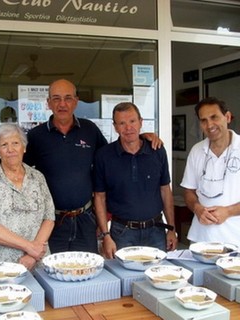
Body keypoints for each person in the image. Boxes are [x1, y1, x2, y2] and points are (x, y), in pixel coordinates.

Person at [0, 79, 162, 254]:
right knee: (54, 273)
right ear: (48, 103)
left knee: (87, 272)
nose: (62, 104)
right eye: (56, 98)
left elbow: (113, 154)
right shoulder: (37, 136)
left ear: (76, 102)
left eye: (68, 98)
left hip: (85, 219)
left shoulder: (89, 130)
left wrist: (140, 136)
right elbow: (15, 164)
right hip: (51, 222)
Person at [93, 102, 177, 258]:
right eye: (122, 123)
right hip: (122, 232)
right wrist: (106, 235)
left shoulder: (157, 151)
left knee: (157, 275)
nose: (128, 128)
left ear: (141, 122)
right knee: (124, 279)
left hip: (156, 231)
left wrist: (171, 229)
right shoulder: (103, 156)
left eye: (132, 121)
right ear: (115, 127)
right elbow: (100, 197)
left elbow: (165, 190)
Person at [0, 123, 55, 270]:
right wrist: (30, 247)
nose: (10, 149)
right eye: (4, 145)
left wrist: (32, 255)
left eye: (15, 143)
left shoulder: (37, 177)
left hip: (37, 262)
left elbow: (49, 217)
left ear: (24, 147)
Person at [180, 97, 240, 247]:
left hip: (236, 240)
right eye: (203, 120)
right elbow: (188, 191)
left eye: (214, 117)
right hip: (201, 239)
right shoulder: (197, 150)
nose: (209, 125)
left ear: (227, 117)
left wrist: (228, 211)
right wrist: (197, 208)